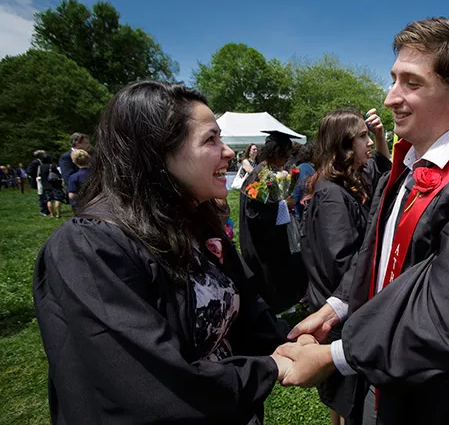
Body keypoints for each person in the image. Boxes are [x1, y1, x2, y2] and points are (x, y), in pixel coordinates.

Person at [278, 17, 449, 425]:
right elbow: (377, 250)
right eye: (393, 79)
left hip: (439, 389)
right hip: (378, 366)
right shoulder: (408, 166)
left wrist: (333, 355)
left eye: (411, 83)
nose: (390, 98)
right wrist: (337, 306)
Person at [33, 81, 295, 424]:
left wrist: (291, 340)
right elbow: (152, 383)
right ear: (158, 153)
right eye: (210, 140)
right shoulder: (89, 247)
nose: (230, 152)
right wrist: (270, 368)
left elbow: (246, 304)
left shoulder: (193, 219)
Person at [300, 108, 390, 424]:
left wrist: (380, 136)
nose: (369, 142)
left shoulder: (353, 179)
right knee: (346, 392)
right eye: (363, 136)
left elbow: (384, 171)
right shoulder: (332, 196)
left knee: (344, 390)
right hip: (339, 307)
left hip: (348, 302)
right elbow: (341, 261)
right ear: (344, 146)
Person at [239, 131, 309, 313]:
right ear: (276, 152)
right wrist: (285, 205)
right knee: (268, 273)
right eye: (285, 154)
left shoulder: (269, 171)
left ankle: (283, 302)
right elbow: (253, 214)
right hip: (262, 240)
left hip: (273, 234)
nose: (287, 159)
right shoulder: (260, 175)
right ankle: (274, 306)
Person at [38, 153, 64, 218]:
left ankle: (51, 214)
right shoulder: (53, 166)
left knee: (49, 200)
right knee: (57, 199)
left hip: (46, 185)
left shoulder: (40, 167)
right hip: (55, 184)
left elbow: (39, 176)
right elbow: (58, 174)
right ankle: (58, 214)